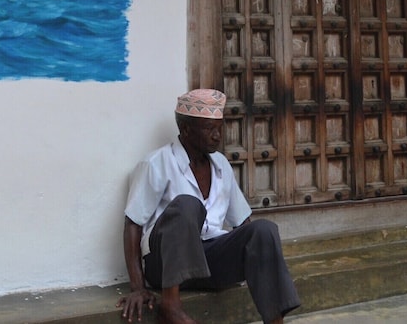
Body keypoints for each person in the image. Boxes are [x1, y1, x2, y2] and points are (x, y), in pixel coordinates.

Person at [116, 89, 300, 324]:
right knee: (186, 205)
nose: (217, 136)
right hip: (165, 267)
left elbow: (243, 223)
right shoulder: (156, 163)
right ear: (186, 130)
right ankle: (170, 307)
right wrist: (137, 287)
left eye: (219, 128)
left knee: (263, 230)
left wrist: (251, 260)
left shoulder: (221, 164)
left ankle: (275, 321)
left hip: (208, 263)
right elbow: (133, 223)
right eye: (208, 129)